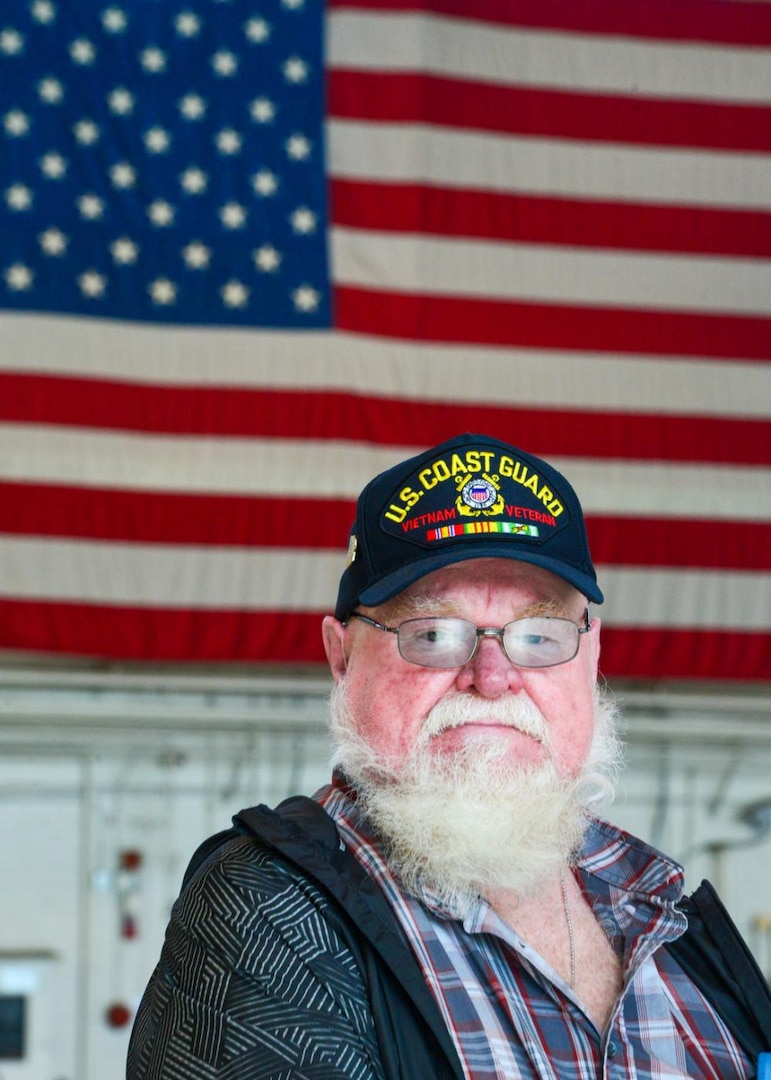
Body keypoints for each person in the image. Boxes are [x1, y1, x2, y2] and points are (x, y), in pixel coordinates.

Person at [127, 433, 770, 1079]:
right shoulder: (268, 907)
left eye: (539, 635)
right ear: (341, 654)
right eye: (433, 634)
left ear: (591, 653)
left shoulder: (664, 911)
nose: (491, 677)